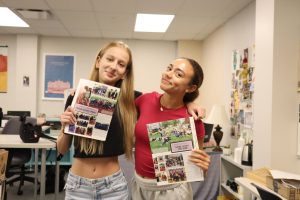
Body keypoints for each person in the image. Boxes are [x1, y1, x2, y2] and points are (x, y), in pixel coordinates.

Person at [58, 41, 205, 200]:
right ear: (98, 61)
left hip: (113, 186)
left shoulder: (131, 100)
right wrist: (66, 127)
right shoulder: (76, 98)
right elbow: (61, 149)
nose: (113, 66)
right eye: (109, 59)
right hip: (78, 186)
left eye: (121, 64)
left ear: (125, 72)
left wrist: (190, 103)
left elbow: (166, 101)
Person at [132, 57, 211, 200]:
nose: (168, 74)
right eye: (169, 68)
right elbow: (119, 104)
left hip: (172, 192)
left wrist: (203, 167)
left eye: (178, 74)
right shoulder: (145, 100)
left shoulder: (193, 120)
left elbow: (196, 168)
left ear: (190, 88)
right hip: (139, 186)